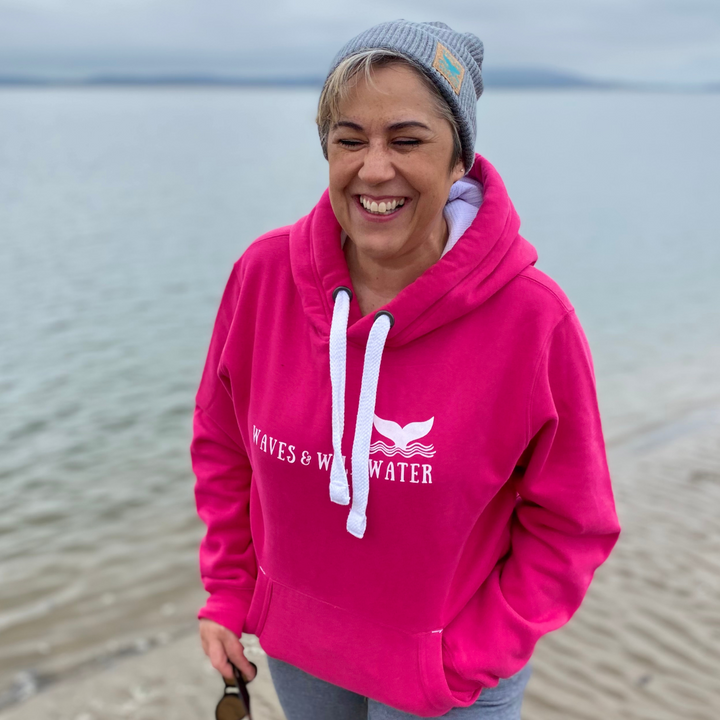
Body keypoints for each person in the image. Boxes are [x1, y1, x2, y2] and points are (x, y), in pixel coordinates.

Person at [192, 19, 621, 720]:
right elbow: (223, 446)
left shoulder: (532, 318)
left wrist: (470, 653)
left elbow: (575, 521)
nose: (375, 168)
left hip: (449, 671)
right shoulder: (263, 277)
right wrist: (230, 591)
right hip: (303, 648)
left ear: (459, 160)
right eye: (350, 139)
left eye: (408, 139)